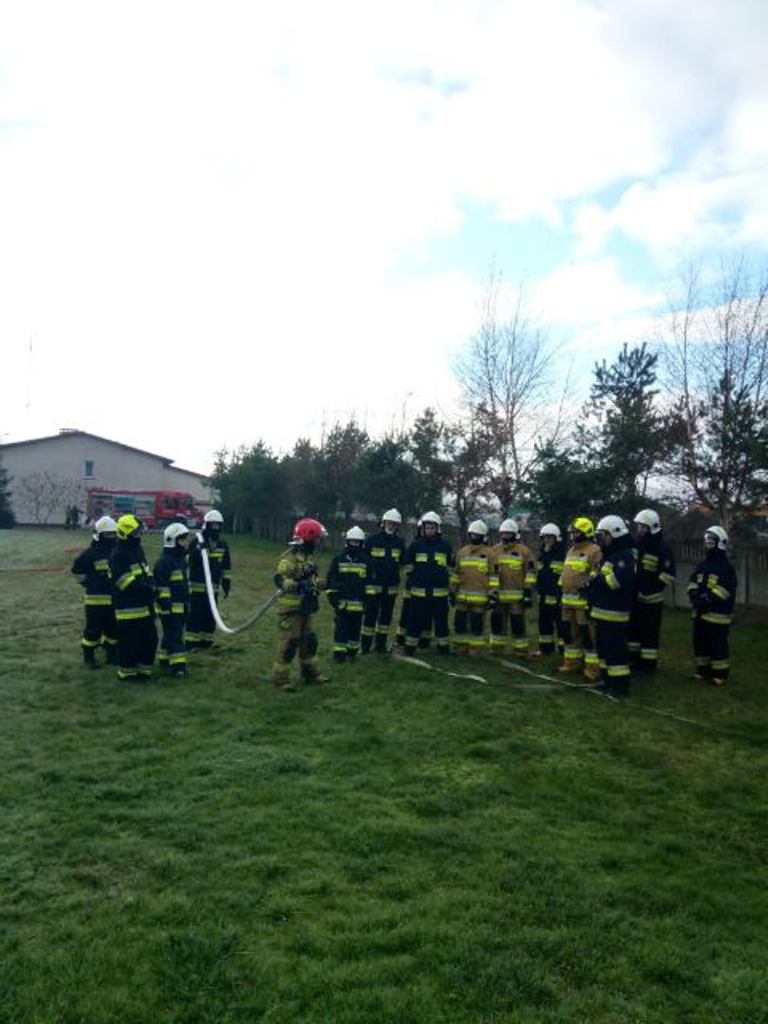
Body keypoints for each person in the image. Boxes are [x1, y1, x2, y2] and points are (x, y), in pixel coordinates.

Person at [272, 517, 329, 690]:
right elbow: (279, 579)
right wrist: (291, 583)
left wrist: (321, 584)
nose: (317, 543)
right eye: (316, 539)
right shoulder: (288, 559)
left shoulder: (307, 560)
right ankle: (281, 679)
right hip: (290, 610)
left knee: (309, 641)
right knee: (290, 643)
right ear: (307, 539)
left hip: (305, 607)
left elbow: (312, 580)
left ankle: (309, 673)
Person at [587, 515, 636, 696]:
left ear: (614, 534)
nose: (601, 539)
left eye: (603, 535)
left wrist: (598, 581)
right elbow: (598, 576)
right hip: (602, 611)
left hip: (615, 613)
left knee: (615, 651)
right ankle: (607, 680)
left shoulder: (624, 556)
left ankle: (620, 686)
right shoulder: (609, 556)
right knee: (603, 650)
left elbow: (618, 581)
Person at [109, 514, 157, 680]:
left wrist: (152, 583)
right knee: (130, 643)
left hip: (145, 606)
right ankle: (127, 673)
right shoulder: (117, 555)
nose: (139, 536)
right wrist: (149, 590)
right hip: (128, 609)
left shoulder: (138, 549)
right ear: (125, 534)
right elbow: (124, 583)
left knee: (150, 641)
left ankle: (144, 671)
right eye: (135, 533)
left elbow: (146, 571)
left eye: (139, 532)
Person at [687, 526, 737, 686]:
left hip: (717, 615)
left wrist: (707, 599)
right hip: (700, 614)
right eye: (707, 543)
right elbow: (692, 582)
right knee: (700, 643)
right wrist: (694, 595)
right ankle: (702, 671)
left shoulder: (726, 568)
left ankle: (720, 675)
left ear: (720, 544)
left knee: (717, 645)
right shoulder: (702, 565)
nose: (708, 546)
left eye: (711, 543)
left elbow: (725, 590)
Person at [628, 509, 676, 674]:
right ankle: (633, 660)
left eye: (644, 527)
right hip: (634, 598)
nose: (640, 529)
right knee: (633, 631)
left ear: (653, 527)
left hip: (652, 601)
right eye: (639, 526)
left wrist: (648, 590)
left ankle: (648, 666)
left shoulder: (663, 548)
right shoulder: (636, 544)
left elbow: (667, 575)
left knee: (649, 633)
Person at [71, 515, 119, 669]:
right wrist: (86, 583)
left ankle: (111, 654)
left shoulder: (117, 552)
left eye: (113, 534)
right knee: (93, 630)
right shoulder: (90, 553)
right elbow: (76, 570)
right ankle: (89, 656)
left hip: (114, 599)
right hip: (95, 600)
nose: (111, 537)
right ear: (99, 535)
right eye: (108, 534)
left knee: (113, 629)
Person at [402, 511, 454, 656]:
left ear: (438, 529)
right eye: (427, 528)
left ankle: (443, 648)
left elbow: (450, 567)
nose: (429, 530)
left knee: (441, 622)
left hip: (439, 593)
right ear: (423, 529)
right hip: (419, 592)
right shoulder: (416, 545)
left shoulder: (445, 546)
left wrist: (449, 585)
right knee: (415, 621)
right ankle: (410, 647)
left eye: (432, 528)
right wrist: (410, 579)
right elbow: (408, 563)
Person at [558, 517, 602, 677]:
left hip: (583, 602)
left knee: (588, 635)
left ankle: (592, 668)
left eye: (577, 532)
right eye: (573, 532)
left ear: (586, 532)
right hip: (567, 600)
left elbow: (596, 574)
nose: (573, 535)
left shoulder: (594, 550)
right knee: (569, 633)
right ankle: (571, 662)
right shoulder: (571, 550)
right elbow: (566, 573)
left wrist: (589, 592)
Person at [489, 518, 536, 657]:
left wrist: (528, 591)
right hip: (498, 596)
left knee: (518, 625)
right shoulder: (494, 550)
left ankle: (521, 650)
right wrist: (491, 593)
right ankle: (496, 649)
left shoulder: (524, 552)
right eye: (503, 533)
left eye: (508, 534)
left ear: (515, 535)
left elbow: (531, 572)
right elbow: (490, 572)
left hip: (517, 597)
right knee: (496, 623)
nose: (505, 536)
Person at [361, 508, 406, 654]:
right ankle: (365, 646)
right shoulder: (372, 540)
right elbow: (364, 560)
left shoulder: (400, 543)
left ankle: (380, 645)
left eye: (394, 523)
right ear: (383, 522)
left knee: (386, 618)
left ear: (397, 525)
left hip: (391, 587)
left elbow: (403, 561)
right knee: (370, 616)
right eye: (389, 522)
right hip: (373, 586)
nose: (391, 525)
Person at [451, 519, 498, 655]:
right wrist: (452, 592)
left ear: (483, 537)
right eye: (472, 534)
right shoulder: (462, 552)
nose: (474, 537)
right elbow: (456, 574)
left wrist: (493, 595)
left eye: (477, 535)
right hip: (462, 597)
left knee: (476, 624)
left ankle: (475, 648)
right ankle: (460, 646)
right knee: (459, 623)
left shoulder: (490, 554)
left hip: (480, 598)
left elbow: (494, 577)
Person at [186, 509, 231, 649]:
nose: (215, 528)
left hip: (213, 589)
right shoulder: (197, 541)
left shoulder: (222, 544)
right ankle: (192, 643)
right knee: (195, 616)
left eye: (218, 525)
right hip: (197, 588)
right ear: (207, 525)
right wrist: (198, 550)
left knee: (210, 616)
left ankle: (207, 642)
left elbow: (226, 566)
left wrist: (226, 583)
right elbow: (187, 560)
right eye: (213, 525)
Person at [327, 526, 370, 662]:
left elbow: (369, 582)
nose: (354, 545)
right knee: (341, 630)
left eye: (357, 542)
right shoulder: (338, 559)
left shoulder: (366, 560)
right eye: (352, 542)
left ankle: (352, 653)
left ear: (361, 543)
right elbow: (331, 580)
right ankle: (339, 655)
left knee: (355, 630)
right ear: (347, 542)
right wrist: (334, 599)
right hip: (342, 605)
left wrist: (368, 601)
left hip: (359, 606)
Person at [154, 522, 191, 678]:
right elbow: (160, 586)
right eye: (181, 539)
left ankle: (164, 658)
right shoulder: (164, 562)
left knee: (171, 634)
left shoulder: (180, 560)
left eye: (184, 539)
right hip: (169, 608)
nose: (184, 543)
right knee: (176, 637)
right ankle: (178, 667)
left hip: (181, 606)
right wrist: (165, 604)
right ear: (172, 540)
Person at [535, 523, 565, 656]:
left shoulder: (562, 555)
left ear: (556, 538)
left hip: (557, 596)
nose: (547, 540)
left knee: (561, 624)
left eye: (550, 537)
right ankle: (545, 649)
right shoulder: (541, 555)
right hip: (543, 596)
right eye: (545, 537)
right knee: (544, 623)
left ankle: (564, 649)